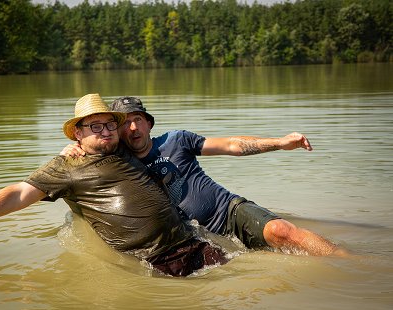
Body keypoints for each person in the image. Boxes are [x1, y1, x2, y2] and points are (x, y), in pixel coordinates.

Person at [0, 93, 229, 277]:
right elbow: (18, 194)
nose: (107, 131)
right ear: (77, 134)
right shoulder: (66, 167)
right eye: (95, 126)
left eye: (111, 124)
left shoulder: (122, 148)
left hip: (197, 242)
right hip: (160, 262)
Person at [62, 96, 346, 257]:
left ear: (149, 123)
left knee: (282, 232)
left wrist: (280, 142)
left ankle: (349, 261)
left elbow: (232, 145)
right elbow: (87, 156)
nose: (133, 127)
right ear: (117, 129)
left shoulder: (176, 140)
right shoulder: (117, 162)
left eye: (138, 119)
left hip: (229, 212)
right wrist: (72, 148)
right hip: (197, 239)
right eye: (125, 122)